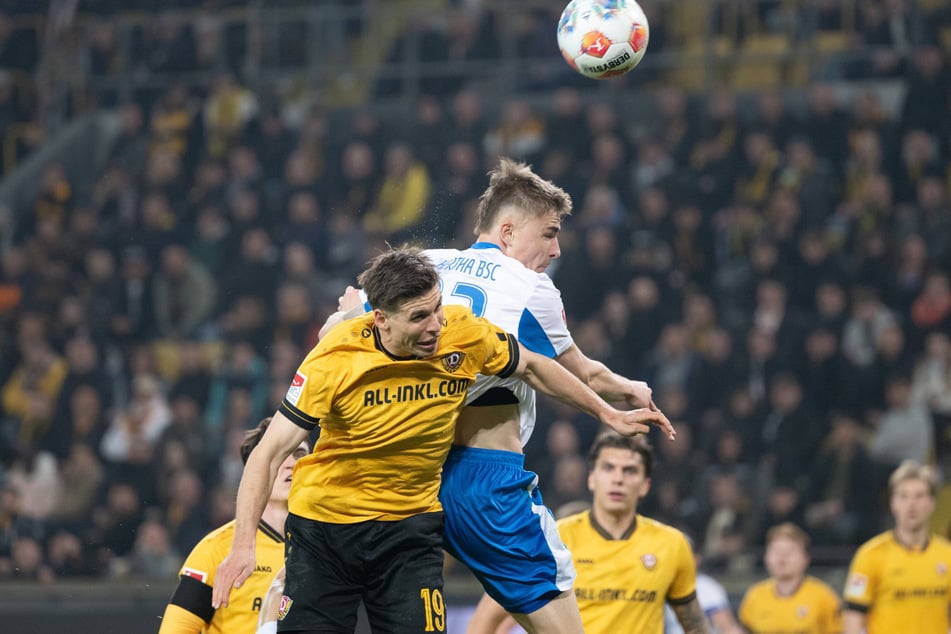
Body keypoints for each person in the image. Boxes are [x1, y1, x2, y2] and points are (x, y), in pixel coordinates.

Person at [212, 248, 674, 633]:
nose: (435, 325)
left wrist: (606, 412)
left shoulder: (462, 332)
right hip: (326, 531)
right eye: (419, 317)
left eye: (437, 307)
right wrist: (243, 545)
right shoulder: (334, 358)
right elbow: (268, 453)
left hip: (409, 530)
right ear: (380, 320)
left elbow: (533, 366)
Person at [326, 158, 666, 633]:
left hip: (402, 475)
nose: (556, 249)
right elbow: (580, 371)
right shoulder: (530, 287)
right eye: (548, 233)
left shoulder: (420, 267)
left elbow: (332, 336)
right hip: (483, 485)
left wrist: (348, 314)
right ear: (508, 232)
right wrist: (626, 392)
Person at [466, 432, 709, 634]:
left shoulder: (671, 544)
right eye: (608, 468)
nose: (618, 479)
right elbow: (486, 617)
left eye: (630, 471)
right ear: (591, 478)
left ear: (645, 485)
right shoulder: (552, 538)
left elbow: (695, 626)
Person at [158, 417, 309, 634]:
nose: (292, 463)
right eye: (281, 453)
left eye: (300, 454)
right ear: (254, 471)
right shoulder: (218, 548)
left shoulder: (328, 545)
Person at [843, 460, 951, 634]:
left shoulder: (947, 555)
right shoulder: (870, 555)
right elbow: (853, 618)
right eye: (903, 496)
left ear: (931, 503)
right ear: (893, 503)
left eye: (919, 496)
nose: (911, 504)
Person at [738, 522, 842, 634]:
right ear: (766, 557)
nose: (782, 557)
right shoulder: (755, 596)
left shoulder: (824, 597)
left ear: (805, 558)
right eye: (776, 551)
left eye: (790, 551)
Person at [664, 535, 743, 634]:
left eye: (683, 555)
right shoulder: (663, 584)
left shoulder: (705, 587)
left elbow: (728, 628)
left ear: (696, 559)